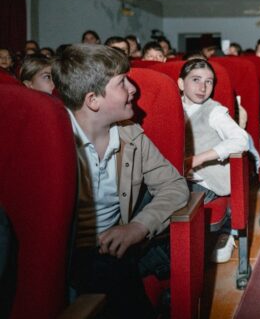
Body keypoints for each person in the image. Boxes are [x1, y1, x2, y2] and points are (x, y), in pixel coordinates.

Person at [52, 44, 189, 318]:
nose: (133, 89)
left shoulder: (131, 135)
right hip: (64, 254)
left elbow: (174, 186)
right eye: (122, 82)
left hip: (113, 249)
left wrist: (139, 226)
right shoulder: (53, 138)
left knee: (112, 268)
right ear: (93, 100)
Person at [178, 59, 249, 263]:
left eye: (208, 82)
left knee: (172, 200)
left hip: (207, 182)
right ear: (181, 83)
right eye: (196, 80)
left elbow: (241, 140)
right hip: (177, 176)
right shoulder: (171, 106)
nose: (203, 87)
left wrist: (198, 159)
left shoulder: (214, 111)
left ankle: (226, 226)